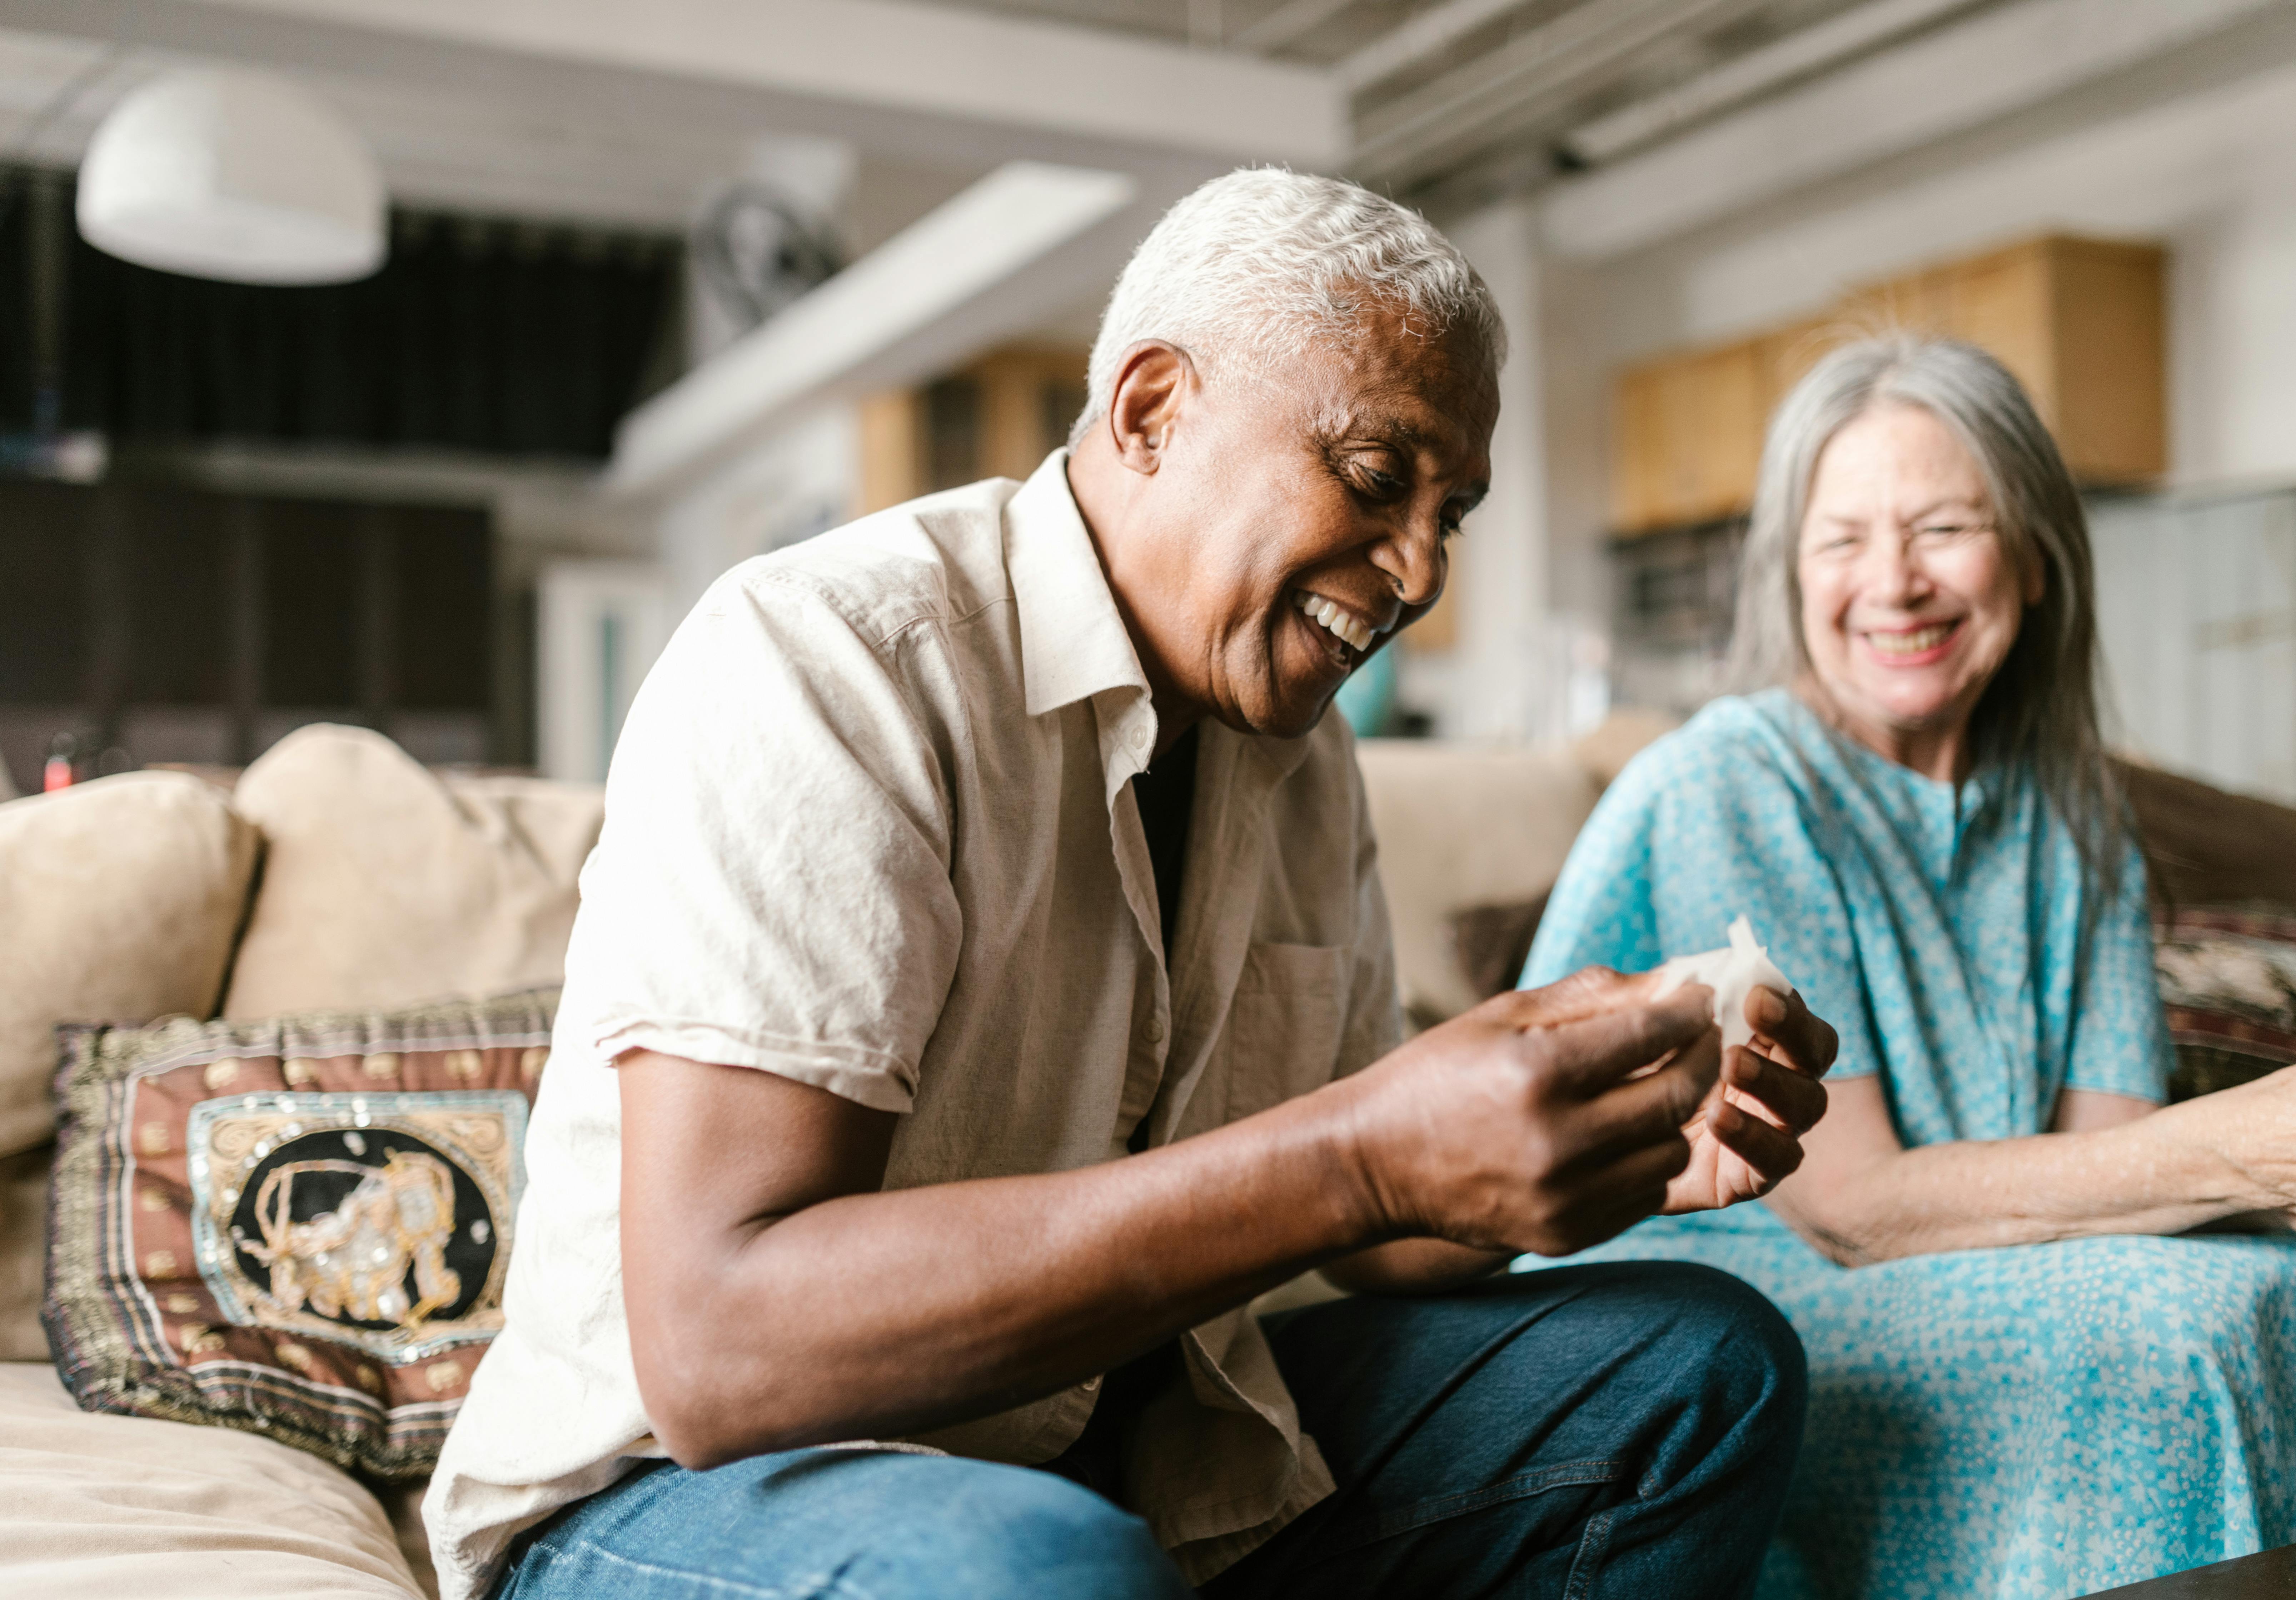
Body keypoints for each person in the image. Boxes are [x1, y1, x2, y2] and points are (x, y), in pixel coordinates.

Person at [425, 170, 1839, 1600]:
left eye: (1450, 513)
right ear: (1152, 411)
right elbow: (727, 1350)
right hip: (676, 1499)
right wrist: (1361, 1150)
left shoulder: (1303, 755)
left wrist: (1589, 1147)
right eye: (1372, 477)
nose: (1418, 569)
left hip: (1103, 1453)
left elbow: (1374, 1228)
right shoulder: (830, 660)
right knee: (1037, 1572)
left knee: (1694, 1371)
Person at [1520, 334, 2296, 1599]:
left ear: (2035, 559)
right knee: (2148, 1348)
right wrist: (2260, 1149)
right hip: (1714, 1310)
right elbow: (1854, 1208)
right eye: (1843, 541)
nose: (1894, 583)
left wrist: (2284, 1190)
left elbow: (2117, 1152)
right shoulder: (1734, 779)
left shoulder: (2075, 814)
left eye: (1944, 528)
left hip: (1973, 1258)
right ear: (1789, 576)